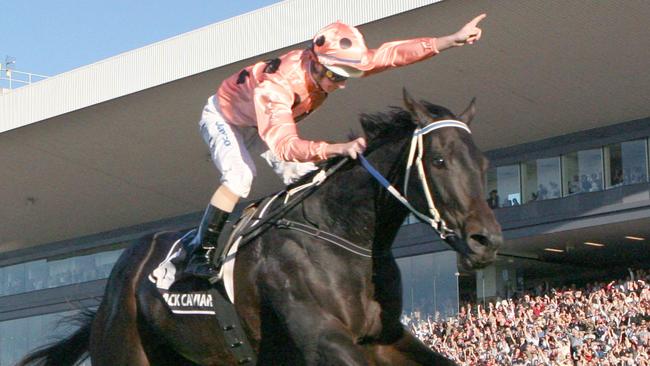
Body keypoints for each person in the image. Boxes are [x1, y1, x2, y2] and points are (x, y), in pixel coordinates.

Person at [185, 14, 488, 279]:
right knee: (240, 176)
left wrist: (450, 40)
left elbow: (389, 55)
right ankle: (199, 251)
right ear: (316, 64)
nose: (342, 84)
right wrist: (336, 148)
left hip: (267, 121)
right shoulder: (276, 87)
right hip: (227, 120)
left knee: (307, 180)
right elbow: (285, 147)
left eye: (349, 76)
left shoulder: (334, 62)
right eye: (336, 77)